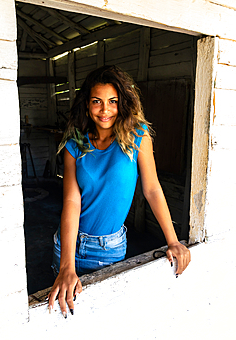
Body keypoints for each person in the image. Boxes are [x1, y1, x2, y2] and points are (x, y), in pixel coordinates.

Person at [48, 65, 191, 317]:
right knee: (63, 313)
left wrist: (172, 240)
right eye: (97, 101)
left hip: (108, 248)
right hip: (67, 244)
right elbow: (71, 200)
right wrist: (66, 265)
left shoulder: (136, 136)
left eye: (113, 101)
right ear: (86, 104)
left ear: (122, 102)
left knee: (104, 317)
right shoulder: (77, 142)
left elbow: (152, 189)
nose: (105, 110)